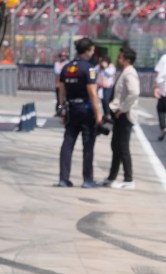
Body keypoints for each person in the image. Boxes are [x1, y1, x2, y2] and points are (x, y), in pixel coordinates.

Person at [56, 37, 102, 189]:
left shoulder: (67, 67)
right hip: (86, 109)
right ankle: (87, 179)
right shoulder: (89, 69)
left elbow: (61, 89)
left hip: (71, 108)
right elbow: (92, 92)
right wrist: (98, 113)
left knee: (67, 143)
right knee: (88, 144)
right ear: (88, 50)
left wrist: (62, 106)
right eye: (92, 49)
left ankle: (63, 178)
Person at [103, 46, 139, 190]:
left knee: (123, 146)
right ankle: (112, 176)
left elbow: (134, 93)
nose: (118, 59)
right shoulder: (124, 72)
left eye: (120, 57)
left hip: (124, 115)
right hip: (119, 114)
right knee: (116, 146)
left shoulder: (130, 73)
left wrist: (122, 109)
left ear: (127, 60)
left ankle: (128, 179)